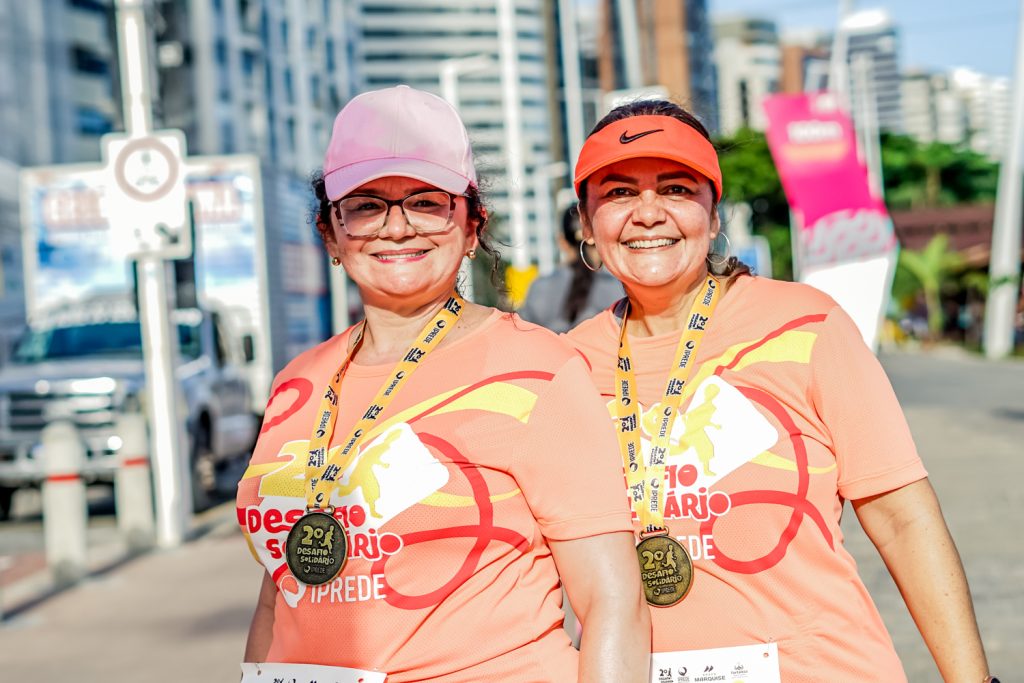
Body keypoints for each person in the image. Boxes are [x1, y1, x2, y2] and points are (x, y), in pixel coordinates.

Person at [566, 99, 995, 682]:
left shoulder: (805, 325)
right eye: (618, 193)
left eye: (675, 188)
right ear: (587, 224)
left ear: (713, 215)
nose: (648, 213)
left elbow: (900, 517)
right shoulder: (567, 365)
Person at [237, 85, 650, 683]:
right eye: (366, 204)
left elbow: (613, 604)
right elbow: (279, 596)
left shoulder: (537, 368)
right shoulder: (296, 382)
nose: (397, 228)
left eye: (427, 203)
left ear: (472, 224)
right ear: (330, 232)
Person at [518, 206, 623, 333]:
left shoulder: (539, 287)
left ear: (562, 241)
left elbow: (524, 334)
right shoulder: (617, 288)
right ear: (597, 239)